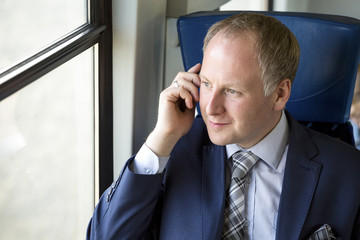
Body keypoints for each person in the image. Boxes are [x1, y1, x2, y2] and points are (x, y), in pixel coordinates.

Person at [86, 13, 360, 240]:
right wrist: (162, 137)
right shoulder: (171, 152)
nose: (210, 107)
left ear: (279, 94)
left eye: (232, 91)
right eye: (206, 84)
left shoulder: (348, 171)